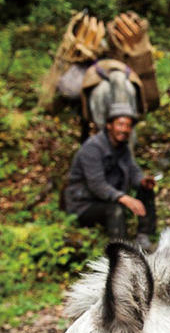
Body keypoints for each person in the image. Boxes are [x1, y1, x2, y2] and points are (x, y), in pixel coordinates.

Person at [64, 102, 156, 249]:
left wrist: (143, 181)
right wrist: (124, 199)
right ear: (109, 125)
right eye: (120, 124)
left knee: (146, 189)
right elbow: (97, 185)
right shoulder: (92, 148)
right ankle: (121, 252)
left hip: (108, 199)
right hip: (84, 204)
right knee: (115, 209)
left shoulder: (123, 148)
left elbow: (134, 170)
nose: (124, 129)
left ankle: (143, 236)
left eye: (128, 126)